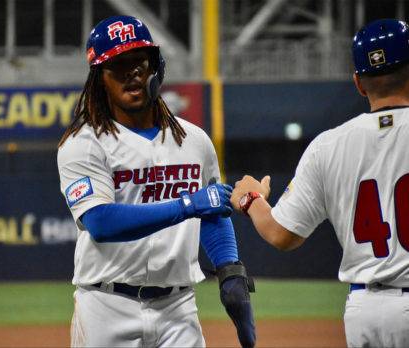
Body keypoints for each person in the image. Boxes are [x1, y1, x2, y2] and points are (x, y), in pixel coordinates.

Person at [57, 15, 255, 348]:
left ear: (156, 67)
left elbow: (213, 212)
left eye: (139, 62)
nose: (132, 73)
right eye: (118, 66)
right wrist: (187, 204)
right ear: (99, 79)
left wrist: (229, 272)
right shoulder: (83, 142)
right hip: (107, 306)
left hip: (178, 308)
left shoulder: (194, 139)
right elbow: (101, 222)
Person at [230, 18, 409, 348]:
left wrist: (251, 199)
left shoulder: (329, 146)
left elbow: (281, 235)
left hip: (365, 312)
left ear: (358, 82)